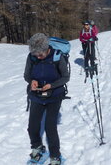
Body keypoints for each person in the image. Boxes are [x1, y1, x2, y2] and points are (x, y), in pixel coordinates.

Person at [24, 33, 70, 165]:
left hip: (55, 95)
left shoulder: (57, 56)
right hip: (36, 95)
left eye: (40, 54)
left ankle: (55, 156)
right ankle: (37, 148)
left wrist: (52, 85)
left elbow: (65, 77)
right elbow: (26, 75)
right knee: (32, 126)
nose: (38, 57)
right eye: (35, 55)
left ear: (46, 49)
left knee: (50, 127)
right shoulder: (32, 57)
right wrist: (32, 81)